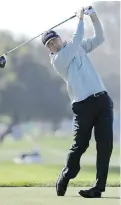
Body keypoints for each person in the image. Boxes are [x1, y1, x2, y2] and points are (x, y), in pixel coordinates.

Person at [41, 6, 113, 198]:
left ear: (58, 38)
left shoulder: (77, 47)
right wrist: (80, 20)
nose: (53, 45)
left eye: (53, 40)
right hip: (83, 106)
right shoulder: (58, 60)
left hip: (102, 100)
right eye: (49, 45)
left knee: (105, 145)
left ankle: (98, 188)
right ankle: (67, 174)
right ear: (49, 50)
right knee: (80, 145)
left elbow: (99, 38)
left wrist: (94, 17)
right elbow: (75, 41)